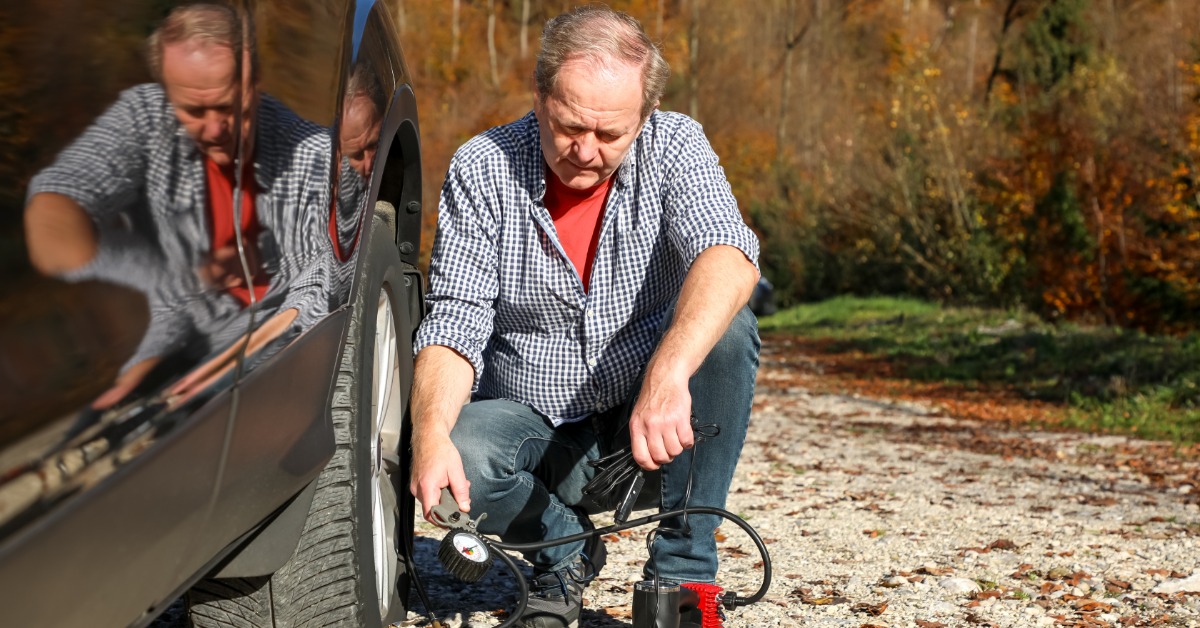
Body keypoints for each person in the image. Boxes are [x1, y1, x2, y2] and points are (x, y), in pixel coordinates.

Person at [409, 5, 761, 626]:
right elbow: (454, 322)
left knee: (728, 332)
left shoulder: (677, 144)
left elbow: (729, 256)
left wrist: (669, 373)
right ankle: (564, 550)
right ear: (541, 96)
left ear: (644, 116)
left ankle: (683, 578)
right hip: (535, 433)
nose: (585, 152)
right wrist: (431, 434)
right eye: (570, 126)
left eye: (610, 135)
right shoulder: (482, 167)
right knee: (459, 444)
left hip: (647, 432)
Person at [23, 3, 335, 408]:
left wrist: (237, 361)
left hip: (268, 356)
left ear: (254, 83)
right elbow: (53, 209)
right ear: (167, 94)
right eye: (193, 111)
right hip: (176, 336)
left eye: (227, 107)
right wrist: (163, 283)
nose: (214, 129)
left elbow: (315, 281)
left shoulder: (307, 152)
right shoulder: (145, 116)